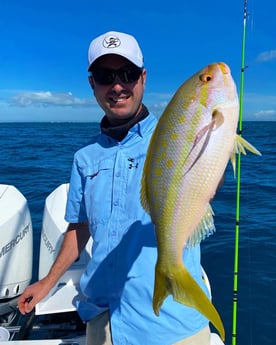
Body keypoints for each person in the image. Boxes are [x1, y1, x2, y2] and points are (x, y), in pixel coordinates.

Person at [18, 31, 223, 345]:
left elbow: (207, 175)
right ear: (92, 84)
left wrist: (220, 136)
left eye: (127, 74)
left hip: (171, 323)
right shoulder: (84, 158)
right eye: (105, 75)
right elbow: (80, 227)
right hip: (103, 319)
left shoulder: (176, 133)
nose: (117, 86)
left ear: (142, 78)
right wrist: (47, 282)